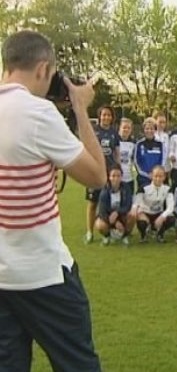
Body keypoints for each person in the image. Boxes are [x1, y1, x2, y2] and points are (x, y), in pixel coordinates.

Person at [0, 30, 104, 371]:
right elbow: (96, 176)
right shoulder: (38, 114)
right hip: (44, 274)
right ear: (43, 69)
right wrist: (79, 107)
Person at [85, 104, 120, 244]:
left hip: (110, 173)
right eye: (104, 114)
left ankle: (106, 232)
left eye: (109, 115)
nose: (106, 117)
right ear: (99, 116)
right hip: (94, 171)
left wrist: (117, 168)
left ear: (112, 118)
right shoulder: (93, 132)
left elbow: (116, 152)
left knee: (108, 203)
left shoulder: (114, 133)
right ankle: (89, 232)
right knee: (93, 203)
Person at [132, 166, 175, 243]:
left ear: (164, 177)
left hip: (158, 214)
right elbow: (136, 203)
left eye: (160, 176)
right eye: (156, 176)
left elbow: (171, 207)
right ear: (151, 176)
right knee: (141, 221)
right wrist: (139, 212)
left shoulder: (167, 189)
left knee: (171, 219)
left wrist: (162, 217)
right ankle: (143, 235)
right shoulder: (144, 188)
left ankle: (160, 234)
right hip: (146, 213)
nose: (158, 179)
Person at [95, 166, 134, 246]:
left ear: (121, 177)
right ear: (109, 177)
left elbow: (128, 205)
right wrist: (115, 222)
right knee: (99, 224)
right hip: (108, 217)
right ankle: (107, 236)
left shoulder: (126, 188)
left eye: (118, 176)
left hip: (121, 215)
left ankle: (125, 236)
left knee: (132, 215)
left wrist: (117, 212)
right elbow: (102, 211)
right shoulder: (104, 191)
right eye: (113, 176)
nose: (116, 178)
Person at [134, 117, 167, 191]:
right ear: (144, 130)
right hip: (143, 178)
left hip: (157, 178)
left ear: (155, 130)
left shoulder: (160, 144)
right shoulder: (139, 144)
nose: (149, 131)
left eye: (152, 129)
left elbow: (163, 160)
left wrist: (156, 174)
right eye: (147, 129)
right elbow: (136, 161)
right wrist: (146, 174)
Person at [118, 117, 136, 196]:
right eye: (124, 127)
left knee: (129, 204)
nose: (126, 130)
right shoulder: (114, 140)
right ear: (120, 128)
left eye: (128, 128)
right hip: (116, 179)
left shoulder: (134, 143)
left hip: (128, 179)